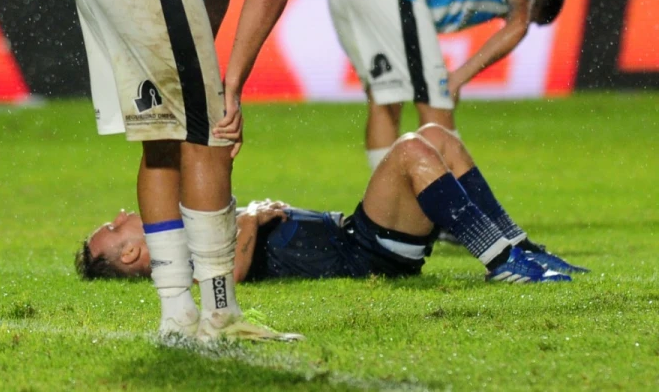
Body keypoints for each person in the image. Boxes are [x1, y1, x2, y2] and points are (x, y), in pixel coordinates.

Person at [73, 0, 404, 342]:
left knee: (162, 143)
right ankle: (220, 315)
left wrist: (208, 75)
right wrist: (231, 86)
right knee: (208, 141)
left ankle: (177, 317)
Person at [77, 124, 585, 285]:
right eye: (113, 227)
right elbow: (226, 277)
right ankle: (502, 263)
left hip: (354, 236)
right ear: (129, 256)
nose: (122, 214)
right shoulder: (174, 270)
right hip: (363, 256)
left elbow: (215, 204)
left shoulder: (180, 232)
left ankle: (522, 248)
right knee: (411, 150)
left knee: (435, 136)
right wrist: (251, 218)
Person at [328, 0, 568, 170]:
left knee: (384, 101)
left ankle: (386, 205)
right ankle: (455, 207)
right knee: (436, 105)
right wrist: (457, 79)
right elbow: (518, 25)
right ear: (540, 2)